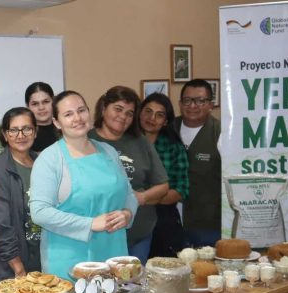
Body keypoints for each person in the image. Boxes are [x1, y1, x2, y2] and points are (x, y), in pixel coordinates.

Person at [31, 91, 137, 293]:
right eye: (68, 114)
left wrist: (127, 214)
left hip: (111, 253)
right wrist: (89, 224)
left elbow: (130, 195)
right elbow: (40, 212)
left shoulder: (107, 151)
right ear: (56, 122)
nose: (77, 118)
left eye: (81, 109)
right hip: (71, 257)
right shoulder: (50, 159)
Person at [89, 86, 169, 264]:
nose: (123, 117)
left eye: (129, 113)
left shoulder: (140, 142)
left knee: (132, 288)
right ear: (103, 108)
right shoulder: (86, 140)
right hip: (98, 236)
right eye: (118, 109)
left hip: (138, 235)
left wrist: (139, 198)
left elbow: (163, 185)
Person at [0, 106, 41, 284]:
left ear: (35, 131)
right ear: (5, 134)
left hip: (45, 258)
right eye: (13, 130)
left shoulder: (44, 163)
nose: (21, 135)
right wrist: (18, 267)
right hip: (14, 267)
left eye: (26, 129)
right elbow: (0, 225)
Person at [140, 93, 190, 257]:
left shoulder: (174, 147)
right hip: (132, 220)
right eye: (148, 111)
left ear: (166, 121)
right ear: (140, 113)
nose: (152, 118)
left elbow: (181, 190)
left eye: (159, 115)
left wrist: (145, 198)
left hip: (164, 221)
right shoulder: (126, 143)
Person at [176, 79, 222, 247]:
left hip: (207, 225)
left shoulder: (221, 133)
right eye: (187, 100)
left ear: (211, 104)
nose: (193, 106)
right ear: (180, 104)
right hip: (169, 223)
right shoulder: (167, 129)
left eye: (200, 101)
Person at [25, 82, 59, 153]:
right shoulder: (23, 135)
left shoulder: (65, 129)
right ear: (28, 106)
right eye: (35, 104)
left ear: (53, 102)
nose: (41, 107)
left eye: (46, 102)